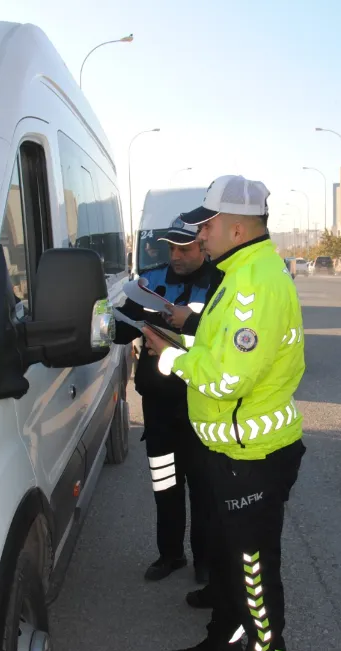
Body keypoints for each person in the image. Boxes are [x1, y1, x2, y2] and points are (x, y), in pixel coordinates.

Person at [142, 175, 305, 651]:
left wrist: (169, 359)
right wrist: (185, 342)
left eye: (207, 225)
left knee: (252, 570)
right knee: (234, 567)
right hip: (229, 452)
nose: (201, 236)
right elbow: (217, 345)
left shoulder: (255, 284)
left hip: (250, 457)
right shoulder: (237, 273)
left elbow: (227, 378)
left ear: (236, 228)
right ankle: (223, 643)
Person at [114, 218, 215, 583]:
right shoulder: (152, 282)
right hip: (158, 408)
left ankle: (205, 561)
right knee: (165, 483)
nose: (175, 256)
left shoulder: (220, 283)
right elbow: (121, 330)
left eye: (184, 249)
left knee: (204, 489)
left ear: (203, 246)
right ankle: (170, 555)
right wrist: (112, 322)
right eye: (171, 249)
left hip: (202, 404)